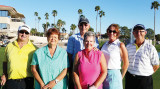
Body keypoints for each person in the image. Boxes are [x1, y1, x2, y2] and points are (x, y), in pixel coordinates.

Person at [67, 16, 99, 89]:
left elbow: (97, 53)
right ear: (78, 26)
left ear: (89, 26)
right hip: (76, 69)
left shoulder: (94, 39)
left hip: (90, 70)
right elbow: (69, 55)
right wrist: (70, 70)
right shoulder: (72, 38)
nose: (83, 27)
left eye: (85, 25)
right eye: (81, 25)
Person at [0, 24, 37, 89]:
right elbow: (5, 62)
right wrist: (4, 74)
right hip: (11, 82)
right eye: (21, 32)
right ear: (18, 32)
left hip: (27, 82)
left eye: (26, 33)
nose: (24, 34)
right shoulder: (9, 46)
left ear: (29, 34)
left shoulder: (34, 49)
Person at [125, 24, 159, 89]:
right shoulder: (128, 46)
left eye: (141, 31)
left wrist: (146, 73)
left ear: (145, 32)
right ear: (133, 33)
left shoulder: (151, 48)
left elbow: (156, 65)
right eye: (136, 31)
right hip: (130, 78)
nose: (138, 33)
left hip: (145, 80)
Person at [101, 24, 129, 89]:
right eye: (110, 31)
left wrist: (120, 77)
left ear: (117, 33)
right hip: (103, 74)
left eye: (114, 31)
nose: (112, 33)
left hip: (114, 75)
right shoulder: (104, 44)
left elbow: (126, 63)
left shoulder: (120, 45)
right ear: (107, 32)